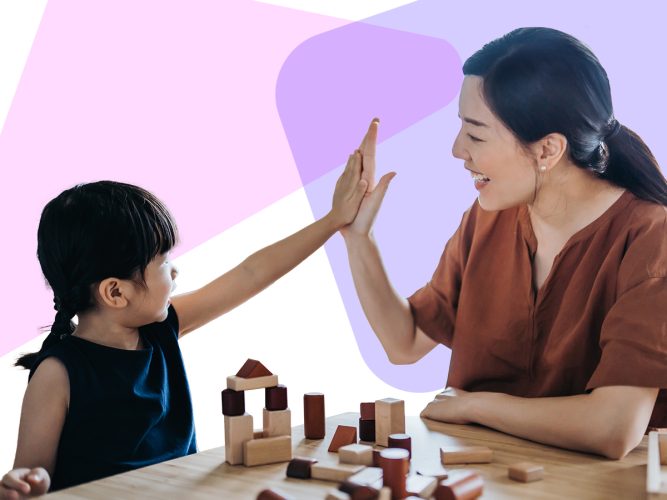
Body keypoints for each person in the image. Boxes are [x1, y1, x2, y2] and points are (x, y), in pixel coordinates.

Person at [343, 27, 667, 459]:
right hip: (485, 479)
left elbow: (613, 428)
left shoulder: (650, 236)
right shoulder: (487, 219)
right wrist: (357, 236)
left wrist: (478, 405)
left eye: (476, 135)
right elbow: (405, 343)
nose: (458, 150)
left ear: (548, 149)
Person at [0, 152, 367, 497]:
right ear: (115, 292)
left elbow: (252, 273)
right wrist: (27, 482)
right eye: (162, 259)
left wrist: (333, 220)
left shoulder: (160, 331)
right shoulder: (56, 373)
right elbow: (33, 474)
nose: (174, 269)